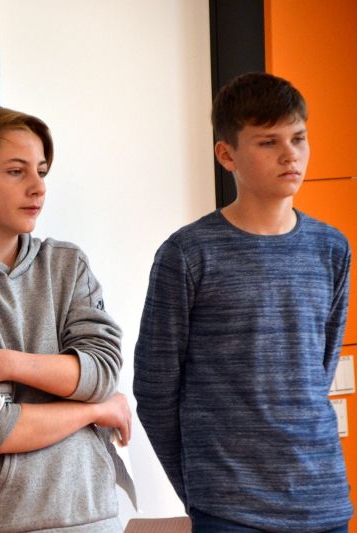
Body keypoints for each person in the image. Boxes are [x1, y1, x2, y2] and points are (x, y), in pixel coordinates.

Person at [134, 72, 353, 532]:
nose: (290, 154)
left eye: (298, 138)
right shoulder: (188, 253)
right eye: (268, 142)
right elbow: (155, 390)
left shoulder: (332, 248)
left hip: (324, 499)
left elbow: (319, 374)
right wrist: (200, 491)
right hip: (229, 508)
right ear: (226, 154)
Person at [0, 105, 134, 533]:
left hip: (96, 512)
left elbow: (103, 372)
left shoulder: (67, 264)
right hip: (6, 522)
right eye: (16, 171)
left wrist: (3, 363)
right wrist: (95, 409)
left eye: (42, 171)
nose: (38, 187)